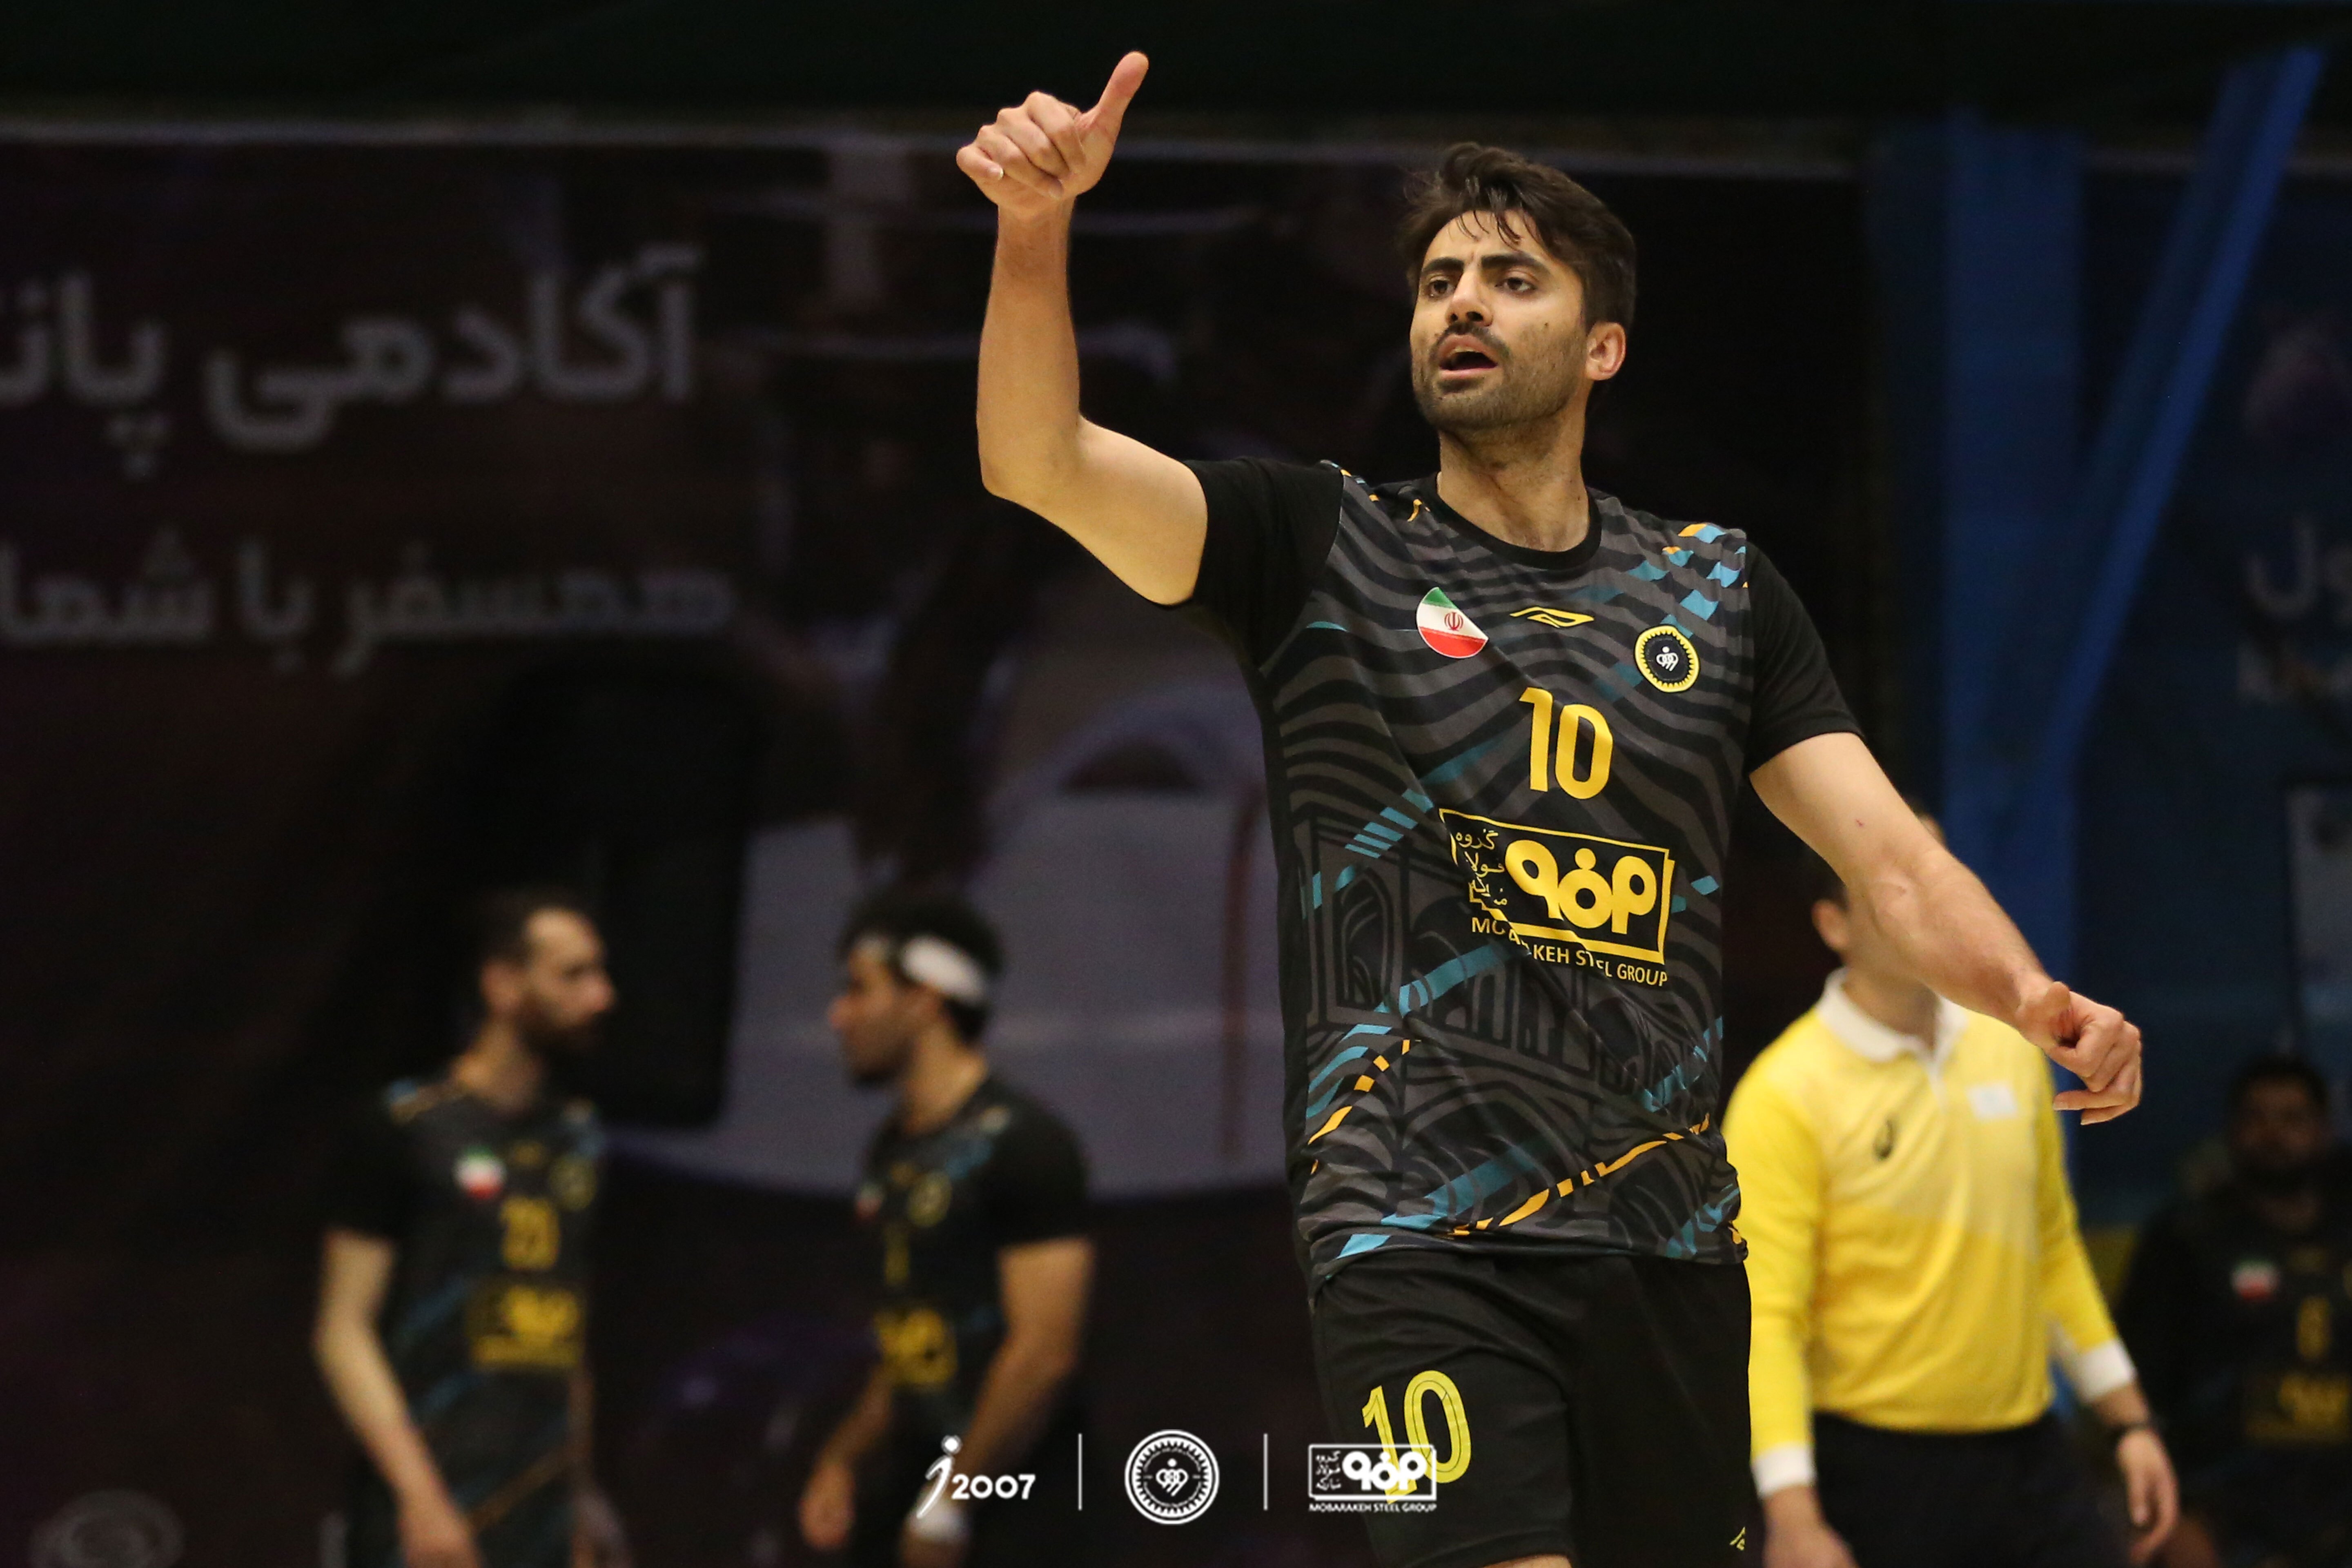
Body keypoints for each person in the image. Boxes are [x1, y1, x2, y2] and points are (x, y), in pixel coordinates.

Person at [953, 53, 2146, 1568]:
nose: (1459, 303)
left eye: (1509, 279)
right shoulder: (1313, 546)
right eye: (1437, 281)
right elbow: (1036, 461)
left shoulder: (1716, 591)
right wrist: (1035, 228)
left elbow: (1889, 859)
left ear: (1600, 346)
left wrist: (2026, 995)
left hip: (1667, 1245)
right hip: (1411, 1232)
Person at [1726, 826, 2180, 1568]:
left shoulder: (2011, 1050)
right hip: (1877, 1473)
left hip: (2029, 1456)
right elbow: (1768, 1321)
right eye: (1892, 889)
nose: (1924, 910)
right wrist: (1792, 1514)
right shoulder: (1784, 1095)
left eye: (1937, 880)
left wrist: (2130, 1424)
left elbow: (2052, 1249)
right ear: (1833, 924)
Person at [315, 888, 625, 1568]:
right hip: (427, 1509)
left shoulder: (578, 1139)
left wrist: (577, 1500)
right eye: (574, 975)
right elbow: (341, 1330)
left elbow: (570, 1332)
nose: (602, 996)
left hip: (539, 1512)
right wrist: (420, 1499)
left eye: (600, 974)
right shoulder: (408, 1124)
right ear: (503, 985)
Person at [797, 891, 1092, 1568]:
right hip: (915, 1496)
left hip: (1018, 1515)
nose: (838, 1014)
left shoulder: (1025, 1145)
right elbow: (914, 1346)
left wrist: (953, 1502)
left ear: (924, 1000)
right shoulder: (893, 1151)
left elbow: (1044, 1354)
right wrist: (842, 1458)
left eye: (859, 989)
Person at [2119, 1057, 2352, 1568]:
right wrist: (2174, 1513)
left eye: (2293, 1119)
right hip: (2223, 1510)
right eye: (2257, 1118)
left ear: (2324, 1131)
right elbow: (2140, 1384)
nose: (2274, 1135)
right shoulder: (2186, 1240)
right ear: (2231, 1131)